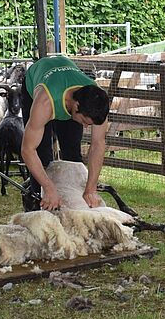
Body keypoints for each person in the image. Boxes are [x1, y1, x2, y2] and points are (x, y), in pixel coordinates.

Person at [20, 54, 110, 211]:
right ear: (76, 106)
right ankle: (38, 204)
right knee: (42, 155)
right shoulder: (45, 102)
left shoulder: (96, 99)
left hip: (65, 82)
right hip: (40, 82)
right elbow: (27, 150)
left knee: (73, 155)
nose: (87, 127)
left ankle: (75, 208)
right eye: (85, 122)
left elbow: (98, 144)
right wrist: (48, 188)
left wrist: (91, 188)